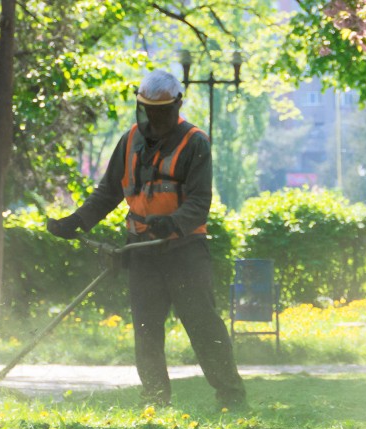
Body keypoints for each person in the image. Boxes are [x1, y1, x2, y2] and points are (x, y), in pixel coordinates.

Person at [47, 69, 247, 410]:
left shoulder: (194, 142)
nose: (155, 117)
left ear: (177, 105)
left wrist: (170, 223)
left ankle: (231, 398)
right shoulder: (129, 141)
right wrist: (77, 222)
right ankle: (155, 400)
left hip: (185, 253)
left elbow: (199, 204)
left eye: (162, 111)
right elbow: (108, 191)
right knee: (146, 329)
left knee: (203, 326)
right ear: (141, 106)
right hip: (141, 251)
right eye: (148, 110)